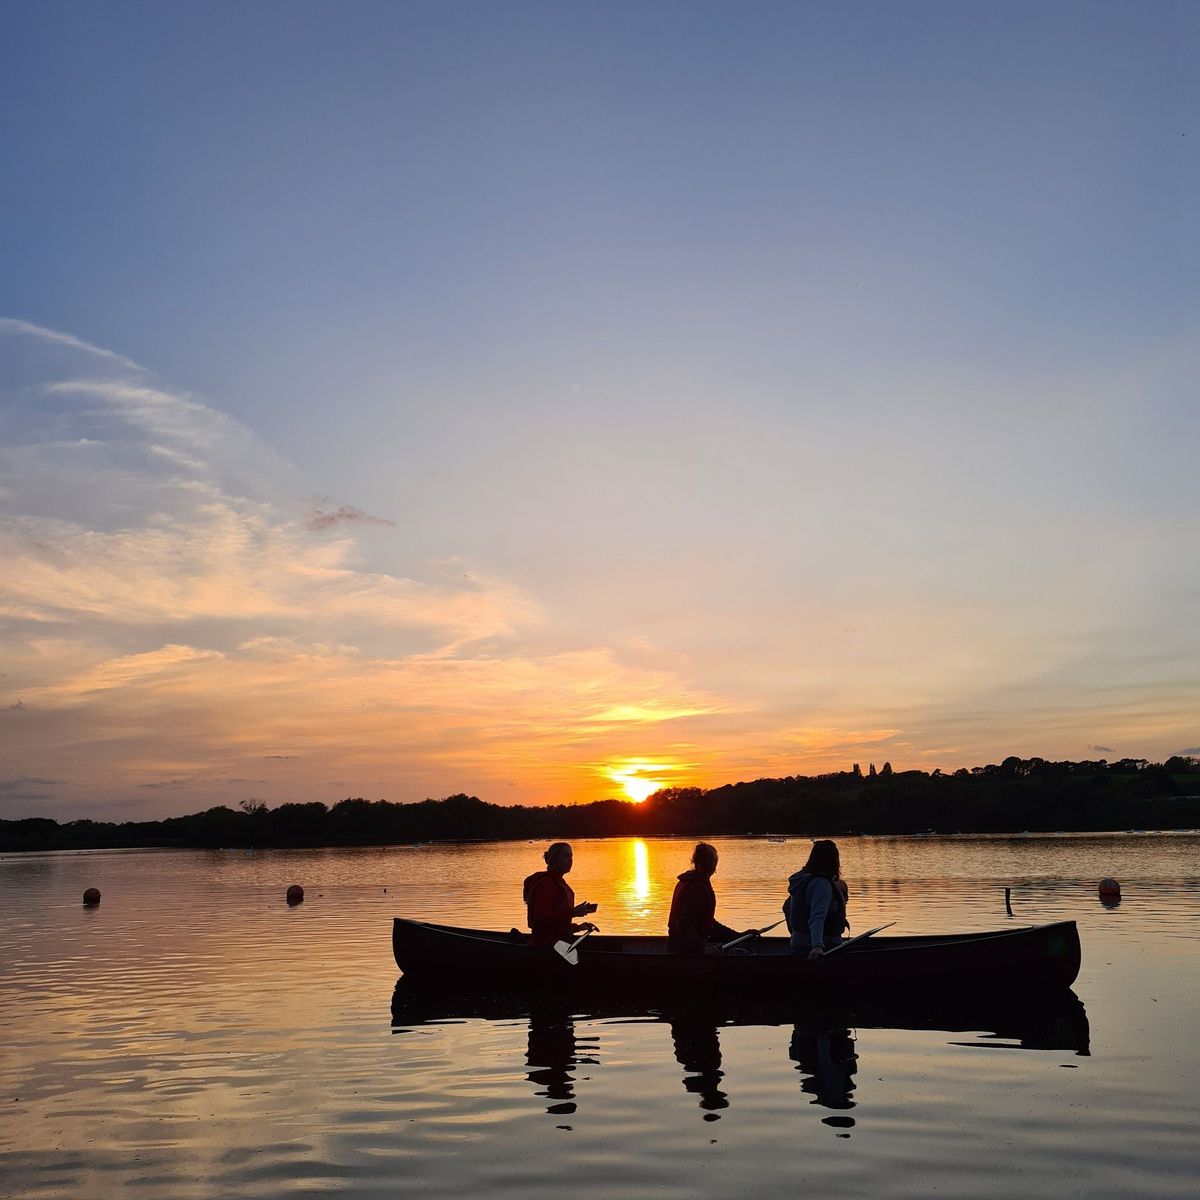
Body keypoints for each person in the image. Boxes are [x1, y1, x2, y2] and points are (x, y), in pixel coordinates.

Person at [667, 842, 745, 955]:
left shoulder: (689, 882)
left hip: (678, 946)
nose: (711, 866)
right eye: (708, 862)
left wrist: (738, 936)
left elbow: (708, 923)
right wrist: (703, 948)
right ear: (698, 863)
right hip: (685, 952)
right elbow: (683, 924)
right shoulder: (698, 888)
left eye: (712, 862)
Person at [523, 842, 599, 948]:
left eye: (571, 856)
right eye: (565, 855)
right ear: (553, 860)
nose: (570, 859)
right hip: (546, 948)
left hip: (559, 944)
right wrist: (573, 912)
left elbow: (557, 925)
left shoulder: (559, 882)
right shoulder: (547, 884)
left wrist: (578, 927)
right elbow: (541, 922)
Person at [783, 839, 849, 959]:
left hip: (798, 943)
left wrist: (794, 934)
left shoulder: (802, 880)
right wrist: (817, 946)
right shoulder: (821, 885)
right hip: (821, 947)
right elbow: (817, 918)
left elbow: (786, 907)